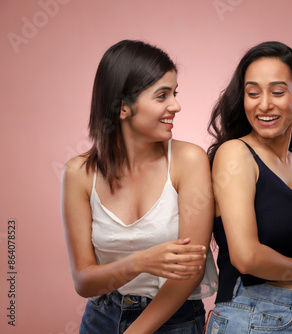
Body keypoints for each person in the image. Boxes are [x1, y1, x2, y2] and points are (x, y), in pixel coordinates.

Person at [61, 40, 217, 334]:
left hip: (176, 321)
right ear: (122, 107)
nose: (176, 105)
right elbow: (83, 281)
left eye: (175, 93)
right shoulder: (79, 174)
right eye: (162, 95)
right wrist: (140, 262)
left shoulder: (189, 161)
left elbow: (189, 272)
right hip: (101, 319)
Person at [205, 41, 292, 333]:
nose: (264, 104)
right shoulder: (236, 154)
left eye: (278, 92)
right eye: (253, 93)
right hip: (247, 313)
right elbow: (246, 257)